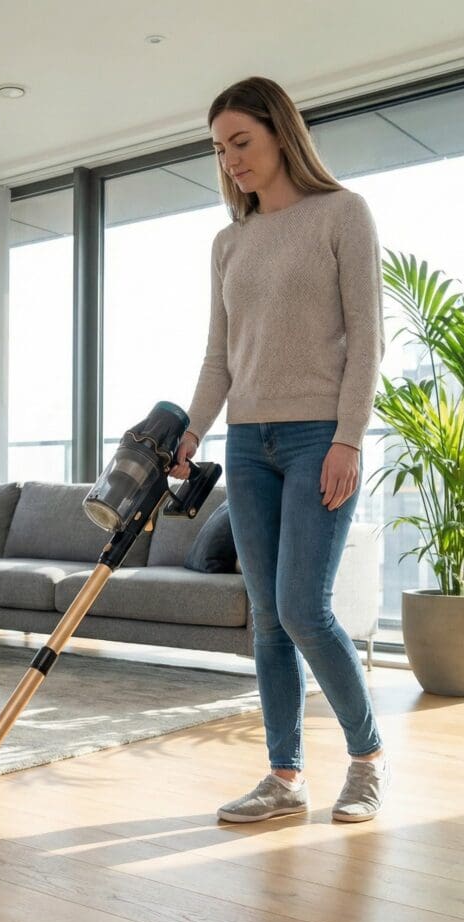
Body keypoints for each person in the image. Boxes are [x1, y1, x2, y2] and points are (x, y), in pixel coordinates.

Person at [170, 76, 388, 824]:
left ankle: (367, 758)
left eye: (241, 141)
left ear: (281, 134)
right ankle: (284, 776)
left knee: (303, 608)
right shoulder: (229, 243)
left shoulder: (342, 213)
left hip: (318, 438)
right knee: (266, 616)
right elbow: (219, 358)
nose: (230, 159)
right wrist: (191, 431)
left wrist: (349, 438)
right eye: (218, 149)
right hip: (247, 445)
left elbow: (368, 340)